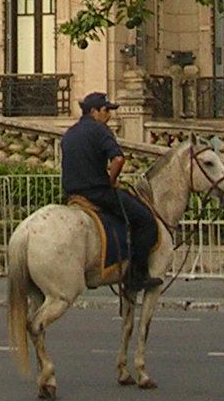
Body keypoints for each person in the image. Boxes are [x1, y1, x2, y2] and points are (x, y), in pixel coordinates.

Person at [60, 91, 158, 292]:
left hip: (72, 195)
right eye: (106, 110)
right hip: (98, 193)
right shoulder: (100, 130)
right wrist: (111, 180)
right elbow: (118, 159)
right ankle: (137, 276)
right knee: (145, 220)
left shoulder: (69, 133)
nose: (109, 115)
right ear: (94, 111)